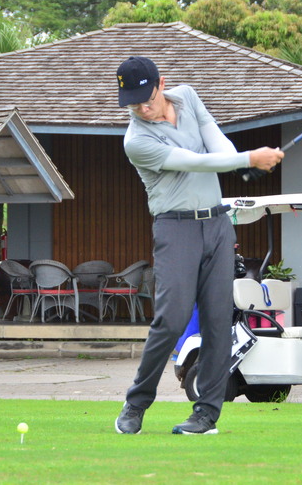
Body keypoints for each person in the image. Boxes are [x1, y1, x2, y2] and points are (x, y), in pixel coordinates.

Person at [113, 56, 283, 435]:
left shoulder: (187, 97)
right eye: (133, 103)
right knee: (171, 319)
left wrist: (239, 162)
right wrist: (248, 159)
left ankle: (206, 414)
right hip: (176, 229)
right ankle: (136, 403)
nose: (142, 108)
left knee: (218, 321)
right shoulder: (136, 140)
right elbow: (192, 161)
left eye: (147, 99)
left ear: (161, 84)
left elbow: (215, 139)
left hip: (218, 225)